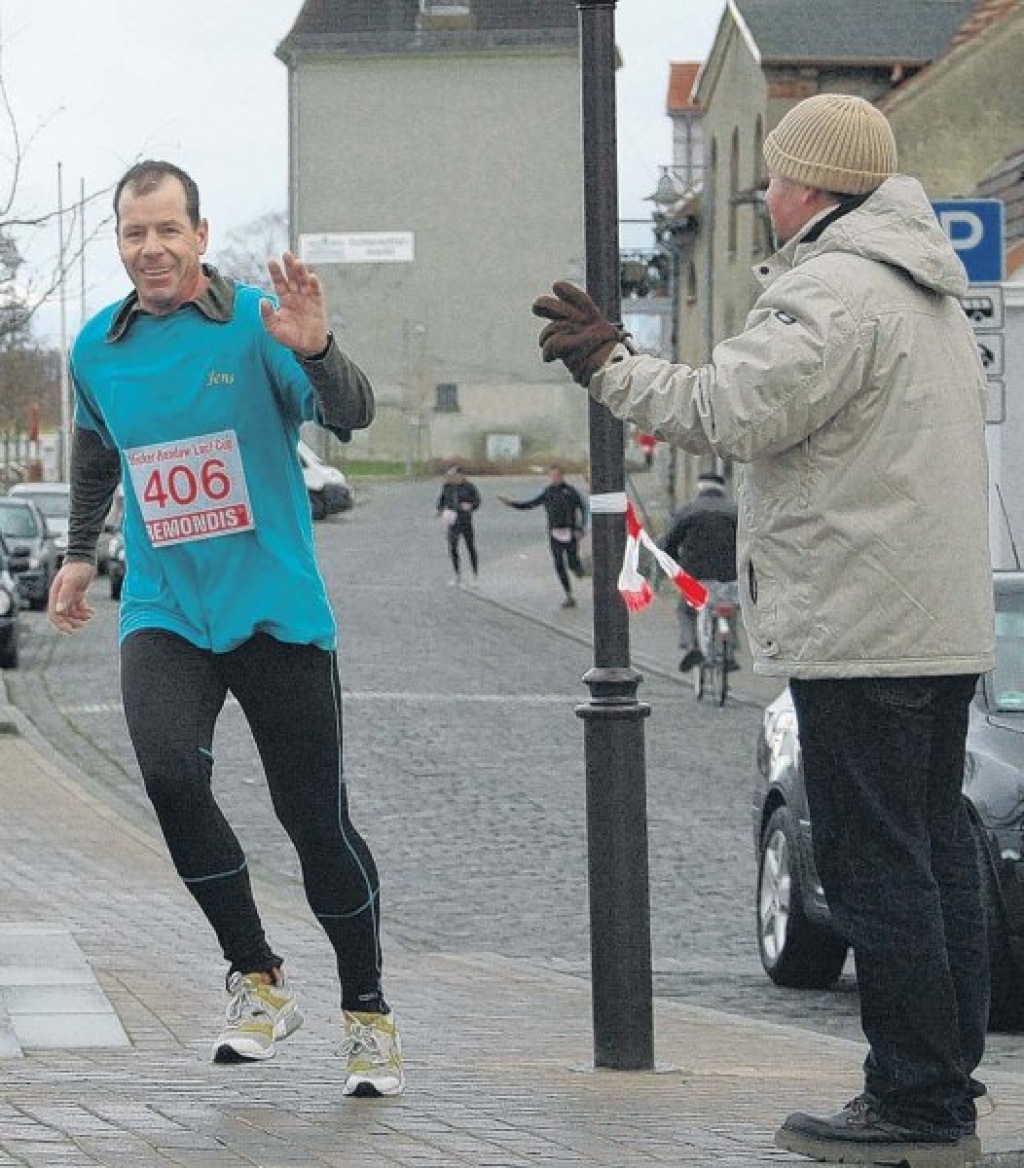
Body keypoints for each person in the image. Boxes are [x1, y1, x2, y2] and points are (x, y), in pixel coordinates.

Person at [533, 94, 994, 1167]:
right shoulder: (923, 288)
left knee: (877, 863)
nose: (764, 198)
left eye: (773, 180)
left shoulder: (834, 287)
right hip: (934, 623)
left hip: (860, 623)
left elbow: (728, 409)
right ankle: (940, 1081)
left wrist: (607, 363)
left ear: (812, 187)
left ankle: (916, 1103)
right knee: (934, 856)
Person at [48, 160, 404, 1097]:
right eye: (134, 233)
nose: (151, 248)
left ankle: (367, 1012)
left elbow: (353, 414)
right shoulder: (94, 349)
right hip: (167, 612)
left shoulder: (257, 324)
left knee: (313, 824)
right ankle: (257, 979)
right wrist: (80, 553)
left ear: (201, 237)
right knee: (169, 773)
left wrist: (320, 348)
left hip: (276, 612)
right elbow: (95, 452)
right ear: (118, 244)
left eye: (168, 230)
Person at [660, 470, 738, 673]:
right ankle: (729, 651)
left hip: (695, 575)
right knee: (729, 607)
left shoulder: (689, 509)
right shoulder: (735, 510)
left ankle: (691, 646)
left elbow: (669, 542)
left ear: (699, 488)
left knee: (685, 610)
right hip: (730, 575)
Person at [498, 466, 587, 608]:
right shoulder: (547, 492)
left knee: (572, 563)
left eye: (557, 476)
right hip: (554, 533)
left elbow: (584, 508)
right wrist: (512, 504)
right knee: (558, 564)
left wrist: (581, 528)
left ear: (562, 476)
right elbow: (530, 504)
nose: (555, 479)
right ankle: (569, 595)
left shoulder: (571, 491)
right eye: (552, 476)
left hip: (570, 532)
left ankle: (579, 570)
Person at [436, 466, 481, 587]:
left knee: (470, 547)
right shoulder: (447, 487)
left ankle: (474, 576)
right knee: (453, 547)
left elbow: (477, 501)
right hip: (452, 521)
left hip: (465, 520)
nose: (452, 478)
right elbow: (441, 501)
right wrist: (441, 511)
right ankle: (457, 575)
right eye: (450, 476)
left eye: (455, 476)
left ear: (462, 476)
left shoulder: (470, 487)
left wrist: (470, 506)